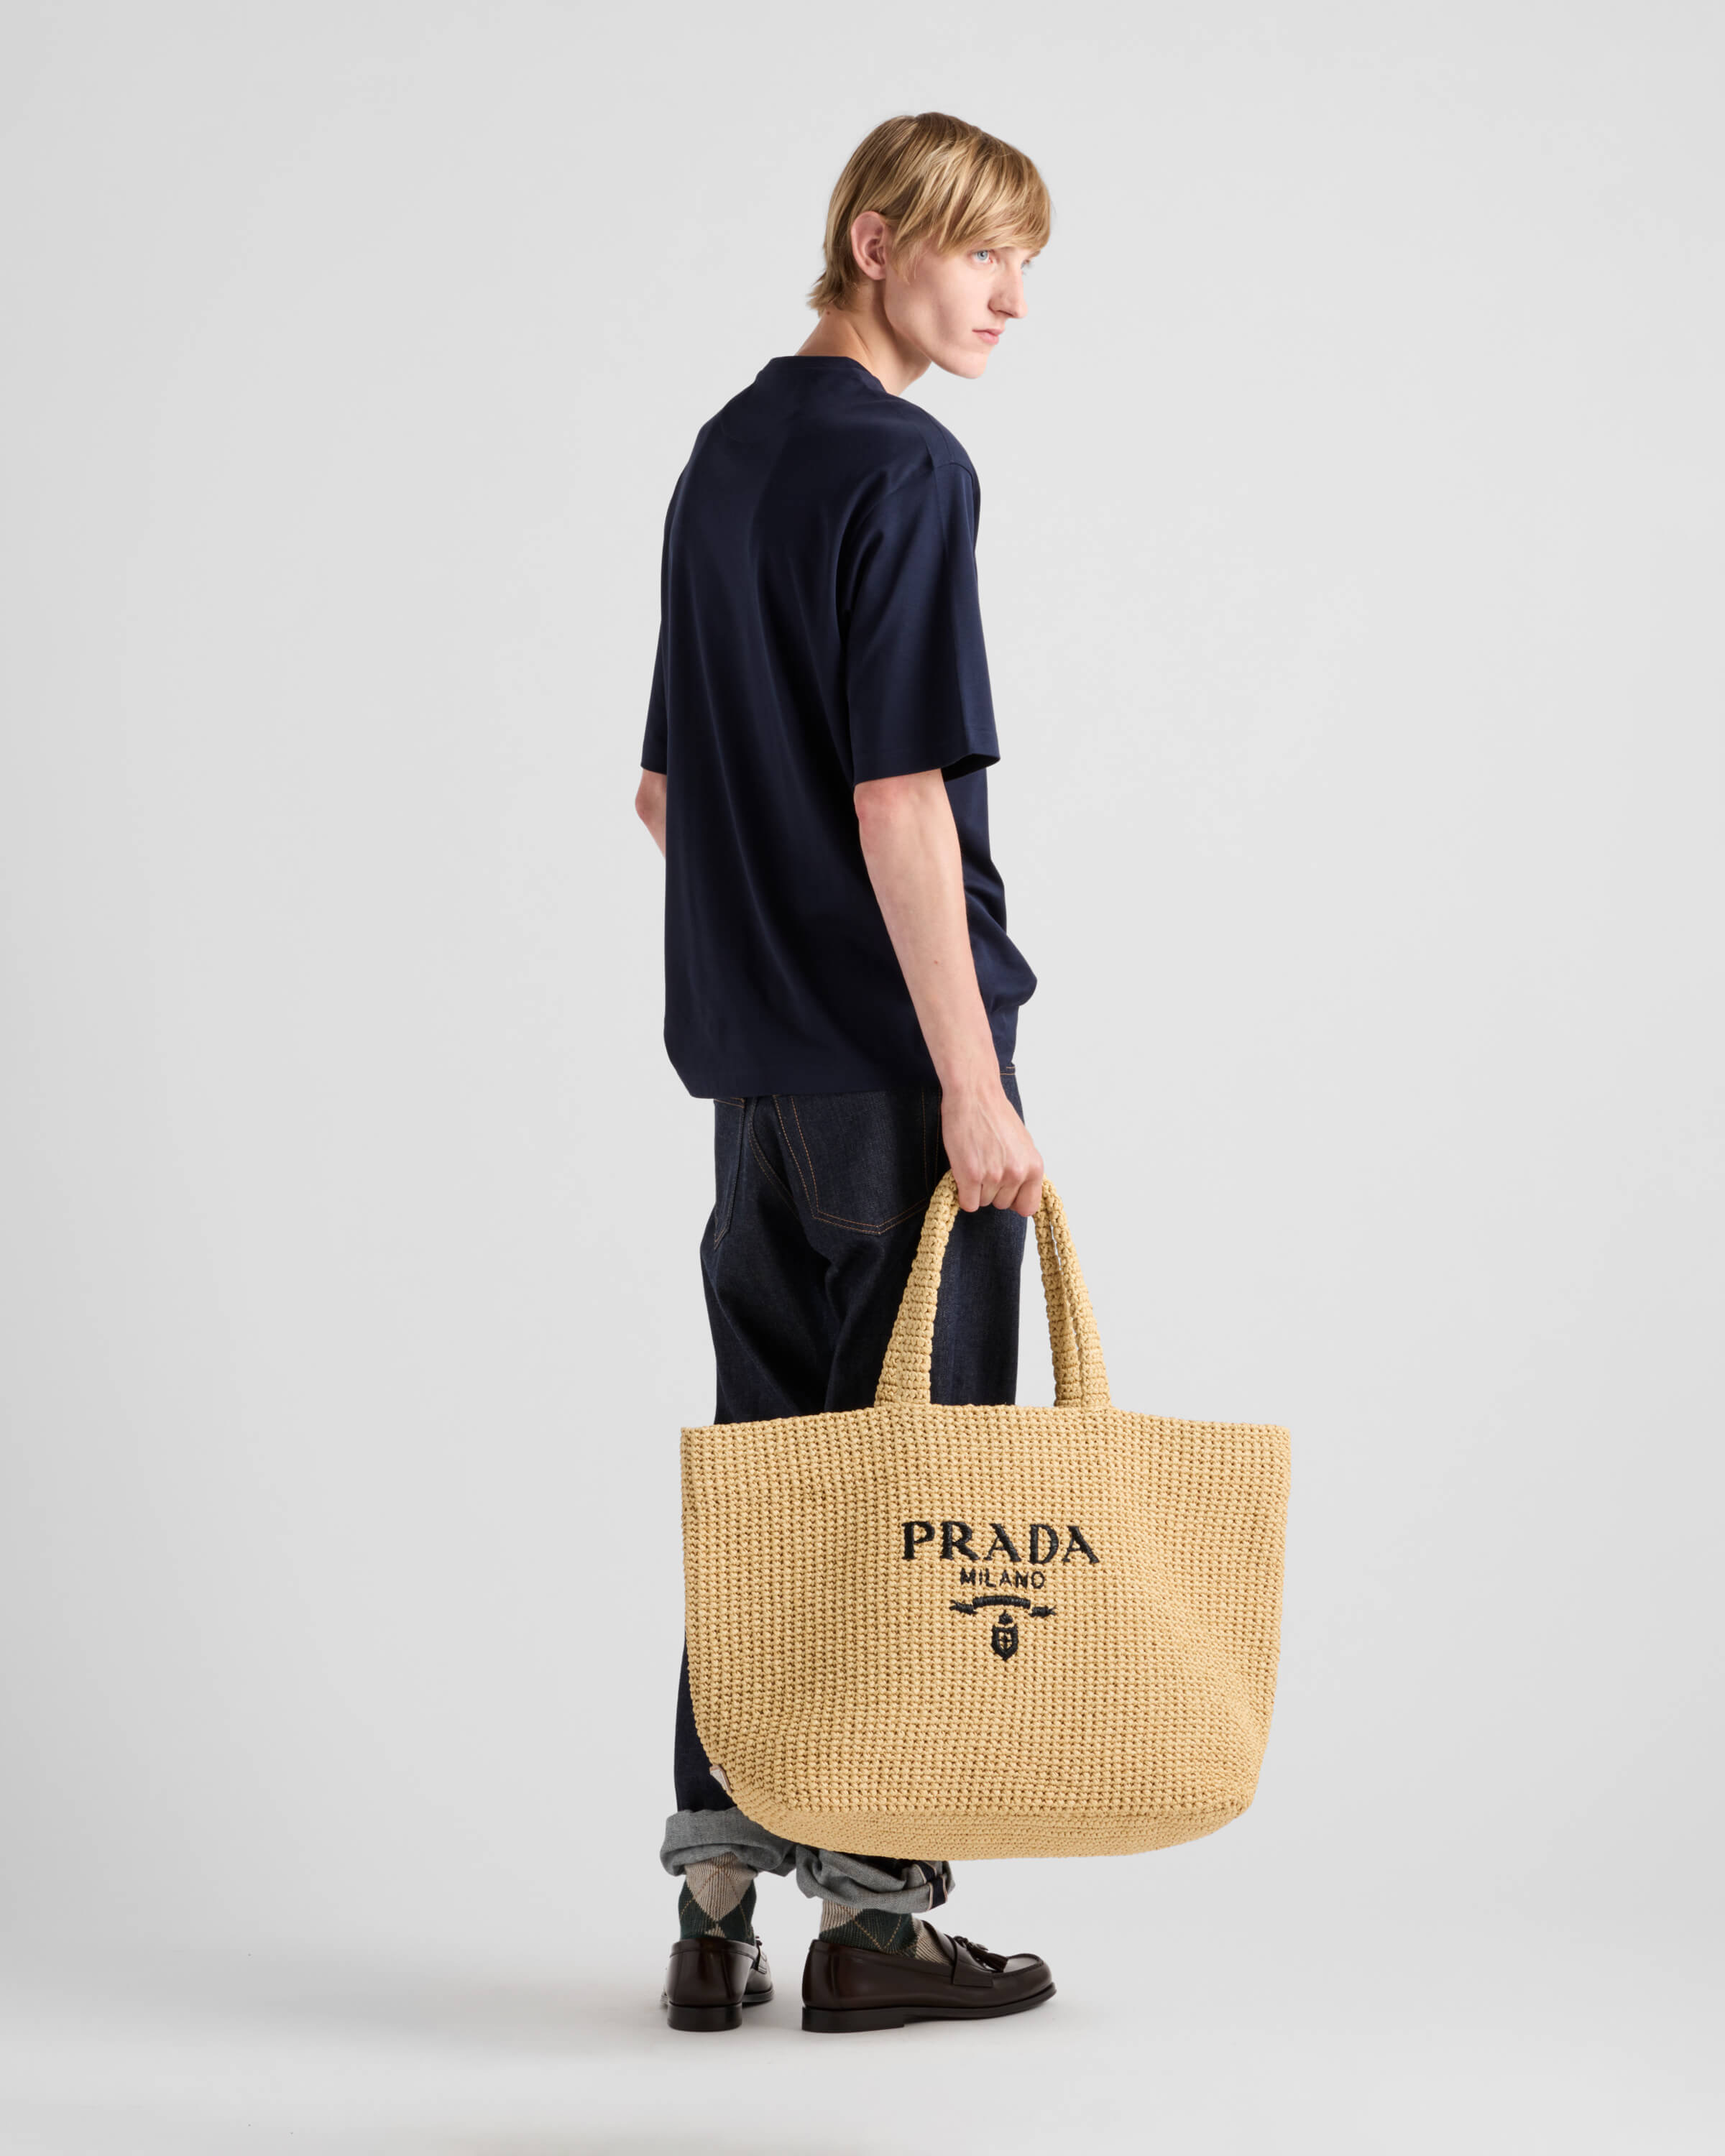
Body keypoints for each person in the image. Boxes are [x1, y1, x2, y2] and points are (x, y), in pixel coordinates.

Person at [636, 111, 1056, 2035]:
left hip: (753, 1077)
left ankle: (714, 1903)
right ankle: (879, 1923)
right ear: (875, 242)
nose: (1010, 295)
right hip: (893, 1072)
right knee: (917, 1478)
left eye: (1026, 261)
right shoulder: (905, 466)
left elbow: (667, 795)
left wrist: (772, 955)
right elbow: (901, 800)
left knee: (772, 1472)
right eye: (978, 251)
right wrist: (969, 1079)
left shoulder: (725, 455)